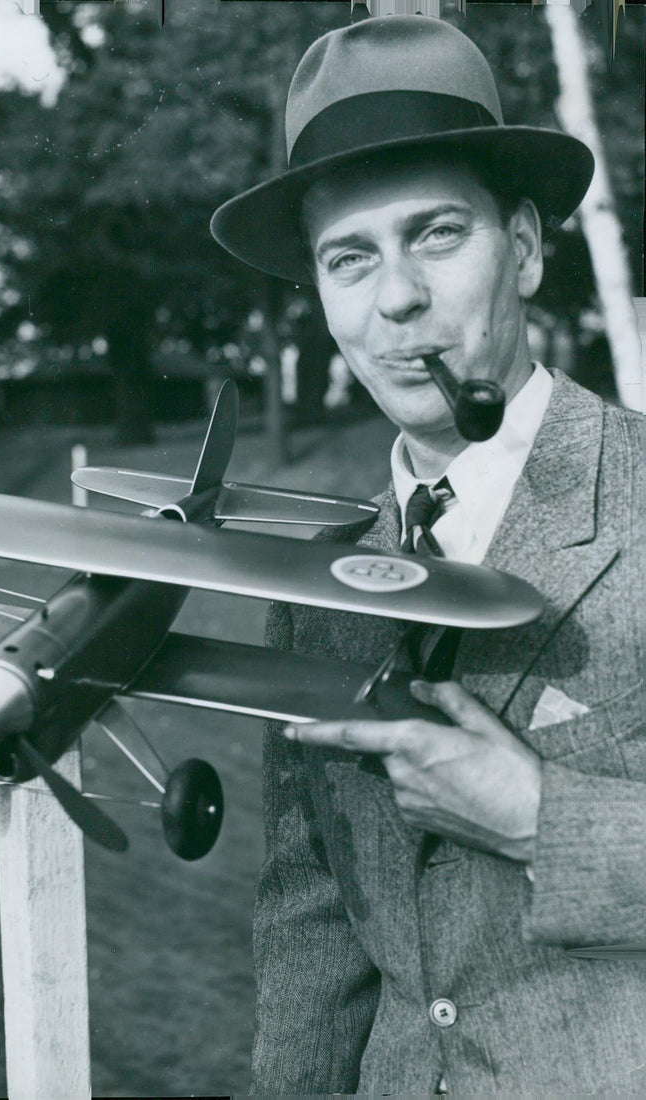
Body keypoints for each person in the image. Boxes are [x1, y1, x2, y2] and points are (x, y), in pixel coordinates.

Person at [210, 15, 645, 1095]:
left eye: (436, 234)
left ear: (528, 247)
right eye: (347, 257)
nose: (394, 296)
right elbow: (310, 930)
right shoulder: (321, 576)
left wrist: (542, 817)